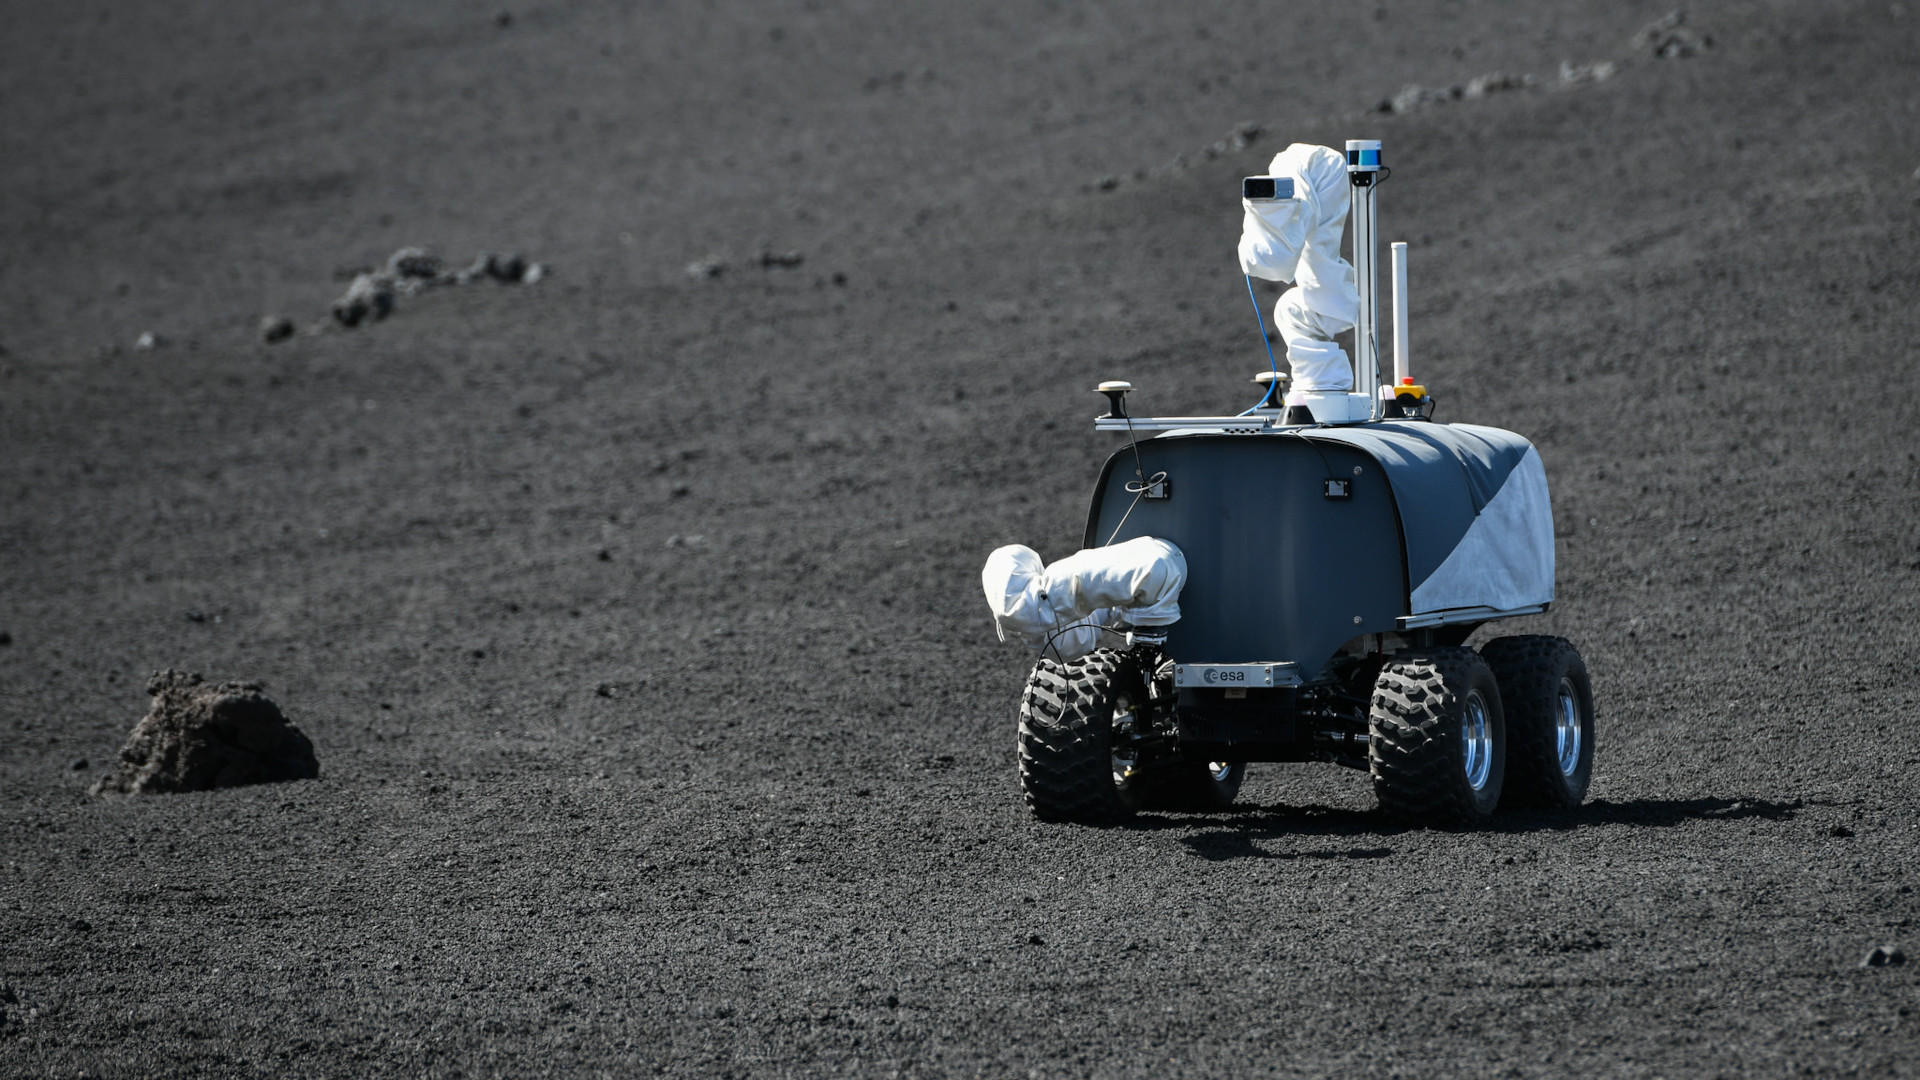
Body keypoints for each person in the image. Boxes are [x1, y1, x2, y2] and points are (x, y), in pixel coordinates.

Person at [1236, 143, 1358, 393]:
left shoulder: (1318, 168)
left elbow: (1279, 259)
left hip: (1314, 174)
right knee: (1296, 305)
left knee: (1297, 304)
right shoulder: (1314, 170)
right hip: (1312, 176)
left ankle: (1323, 385)